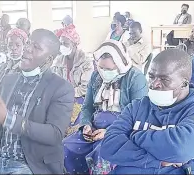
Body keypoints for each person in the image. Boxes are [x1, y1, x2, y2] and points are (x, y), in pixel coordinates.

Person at [0, 29, 75, 174]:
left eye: (36, 47)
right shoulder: (9, 80)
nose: (27, 48)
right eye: (28, 43)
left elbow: (54, 134)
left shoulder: (61, 88)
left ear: (48, 60)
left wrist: (9, 119)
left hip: (32, 166)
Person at [100, 48, 194, 174]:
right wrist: (156, 161)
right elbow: (108, 146)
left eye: (164, 79)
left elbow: (180, 148)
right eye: (151, 76)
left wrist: (133, 135)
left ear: (184, 84)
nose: (154, 84)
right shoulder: (137, 106)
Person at [63, 39, 148, 174]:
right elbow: (87, 107)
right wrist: (86, 125)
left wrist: (108, 132)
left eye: (109, 69)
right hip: (94, 128)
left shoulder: (135, 78)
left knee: (102, 154)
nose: (103, 72)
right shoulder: (97, 76)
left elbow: (138, 116)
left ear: (120, 65)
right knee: (66, 146)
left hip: (122, 131)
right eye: (101, 67)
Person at [52, 28, 94, 136]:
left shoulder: (85, 61)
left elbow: (85, 88)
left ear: (75, 44)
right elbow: (54, 82)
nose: (62, 46)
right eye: (61, 43)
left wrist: (68, 94)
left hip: (80, 97)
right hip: (62, 97)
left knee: (74, 125)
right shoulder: (58, 61)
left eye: (65, 43)